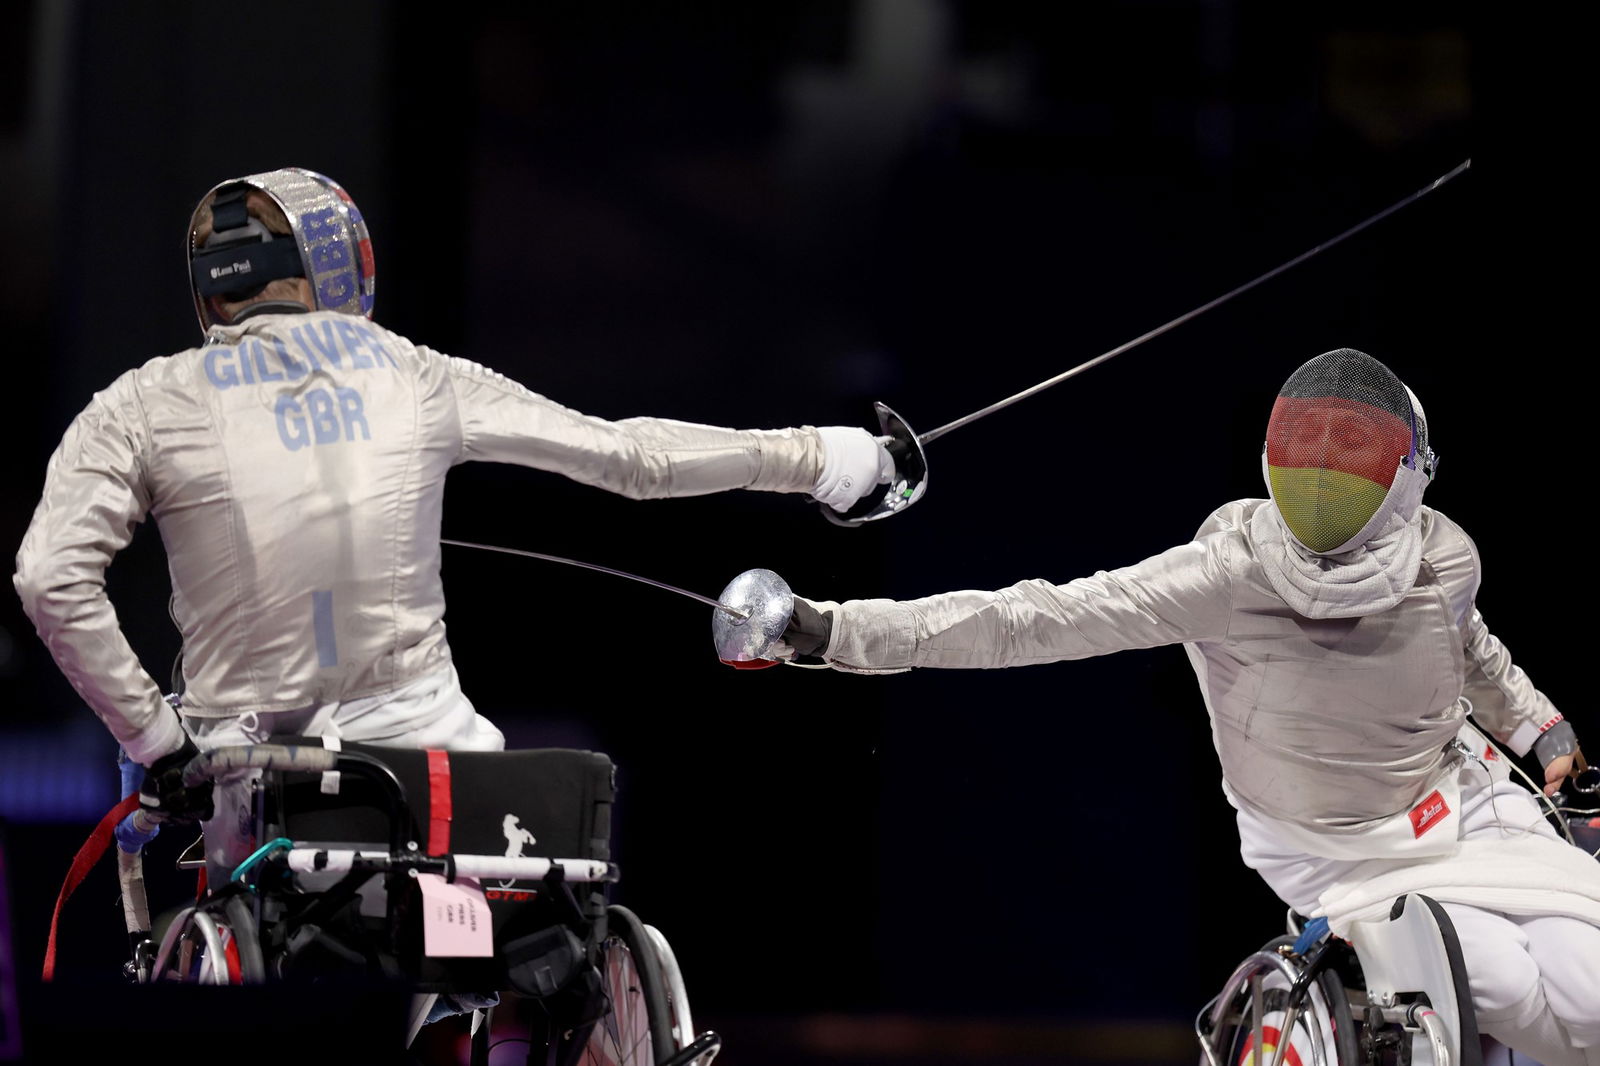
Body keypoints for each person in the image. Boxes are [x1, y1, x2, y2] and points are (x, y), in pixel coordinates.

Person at [12, 167, 903, 884]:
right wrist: (824, 456)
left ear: (211, 293)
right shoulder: (411, 372)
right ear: (334, 267)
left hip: (253, 805)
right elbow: (632, 460)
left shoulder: (140, 401)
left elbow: (48, 576)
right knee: (534, 919)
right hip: (444, 795)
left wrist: (155, 742)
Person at [764, 348, 1600, 1064]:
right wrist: (835, 630)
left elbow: (1471, 649)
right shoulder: (1228, 572)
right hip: (1332, 850)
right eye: (1313, 448)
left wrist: (1541, 728)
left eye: (1352, 451)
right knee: (1497, 984)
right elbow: (1030, 617)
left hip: (1468, 805)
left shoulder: (1442, 557)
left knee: (1590, 996)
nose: (1325, 472)